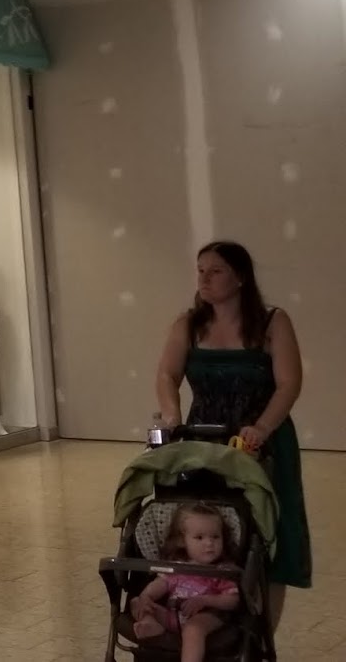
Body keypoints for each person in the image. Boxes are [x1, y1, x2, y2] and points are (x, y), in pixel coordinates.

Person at [155, 241, 311, 628]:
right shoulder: (188, 324)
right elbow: (167, 374)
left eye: (216, 271)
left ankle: (262, 632)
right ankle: (208, 618)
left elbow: (289, 384)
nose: (204, 279)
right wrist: (172, 414)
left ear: (240, 277)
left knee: (270, 536)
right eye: (200, 270)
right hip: (205, 440)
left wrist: (262, 428)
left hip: (261, 440)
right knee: (208, 528)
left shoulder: (273, 323)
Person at [129, 504, 240, 660]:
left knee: (193, 629)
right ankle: (151, 623)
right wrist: (146, 597)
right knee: (137, 602)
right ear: (182, 541)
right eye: (199, 537)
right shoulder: (178, 566)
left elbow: (233, 600)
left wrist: (205, 600)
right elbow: (158, 585)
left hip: (208, 615)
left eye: (215, 537)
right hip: (173, 615)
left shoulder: (222, 569)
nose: (209, 543)